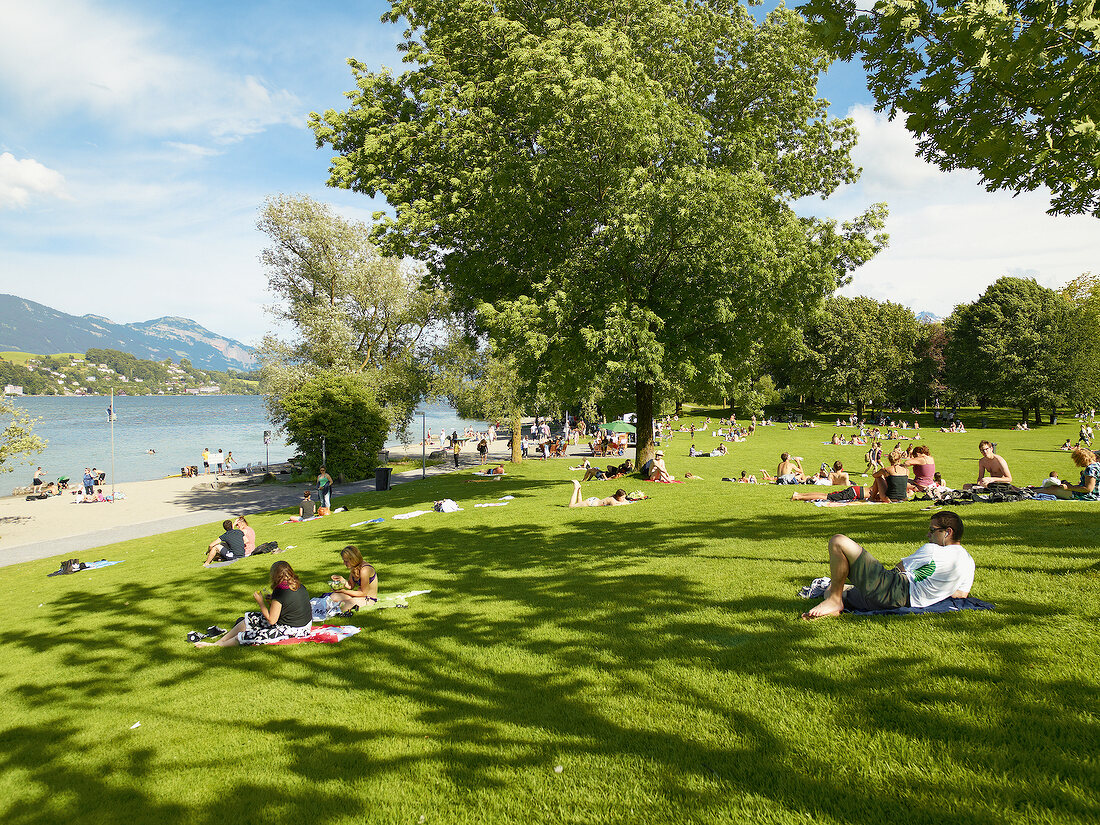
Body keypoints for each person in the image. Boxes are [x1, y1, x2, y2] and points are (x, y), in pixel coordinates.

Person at [802, 512, 975, 619]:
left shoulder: (933, 550)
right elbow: (960, 594)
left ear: (948, 532)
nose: (928, 534)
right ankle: (835, 596)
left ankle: (834, 601)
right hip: (900, 601)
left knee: (838, 541)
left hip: (894, 589)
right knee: (828, 591)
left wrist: (877, 580)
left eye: (932, 530)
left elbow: (899, 569)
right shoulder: (969, 561)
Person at [195, 561, 312, 647]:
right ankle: (219, 642)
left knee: (247, 636)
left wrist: (261, 602)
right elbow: (289, 604)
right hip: (301, 623)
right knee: (250, 618)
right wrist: (272, 600)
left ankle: (216, 646)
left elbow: (272, 620)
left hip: (295, 630)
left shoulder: (280, 591)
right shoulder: (298, 585)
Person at [1029, 448, 1100, 500]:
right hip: (1093, 494)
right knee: (1053, 488)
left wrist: (1069, 487)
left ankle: (1027, 491)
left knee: (1052, 490)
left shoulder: (1090, 469)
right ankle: (1030, 490)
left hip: (1088, 496)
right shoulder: (1097, 465)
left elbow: (1088, 489)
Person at [328, 545, 379, 611]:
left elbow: (364, 593)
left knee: (342, 606)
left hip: (368, 598)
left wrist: (344, 591)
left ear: (353, 559)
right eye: (344, 561)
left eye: (346, 561)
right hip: (358, 596)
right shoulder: (354, 567)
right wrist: (342, 579)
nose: (344, 563)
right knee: (333, 596)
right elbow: (351, 585)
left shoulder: (365, 570)